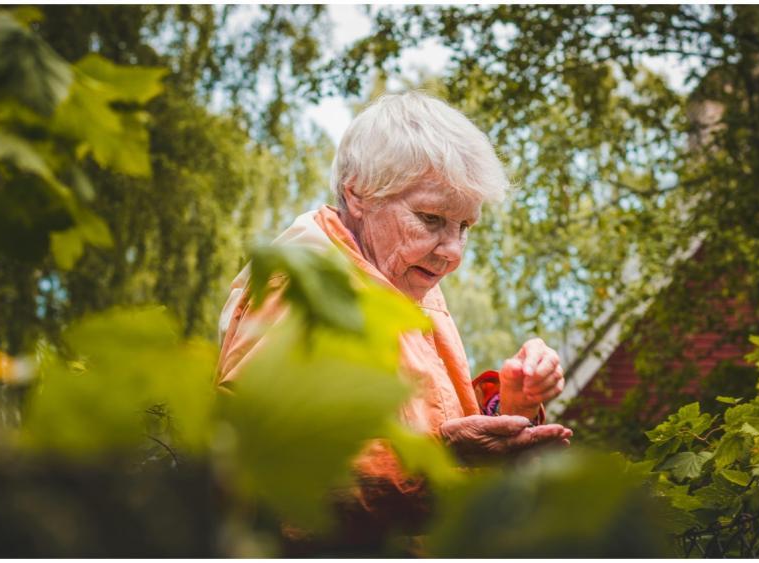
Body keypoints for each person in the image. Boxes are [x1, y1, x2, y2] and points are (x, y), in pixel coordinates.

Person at [216, 91, 572, 550]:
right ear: (357, 193)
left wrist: (509, 408)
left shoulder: (402, 279)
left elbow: (428, 425)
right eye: (430, 218)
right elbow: (258, 481)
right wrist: (436, 461)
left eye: (465, 227)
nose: (453, 252)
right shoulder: (302, 290)